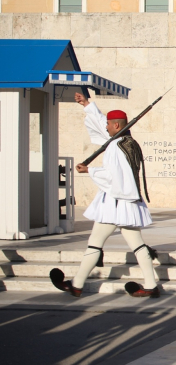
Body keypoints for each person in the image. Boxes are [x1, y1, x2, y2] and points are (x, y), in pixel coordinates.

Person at [50, 92, 159, 298]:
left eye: (110, 124)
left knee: (95, 243)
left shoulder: (116, 148)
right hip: (126, 203)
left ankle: (76, 285)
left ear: (117, 126)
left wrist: (89, 171)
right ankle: (151, 286)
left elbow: (112, 177)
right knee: (137, 245)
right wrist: (87, 105)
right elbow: (101, 124)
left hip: (115, 204)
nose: (106, 127)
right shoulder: (128, 142)